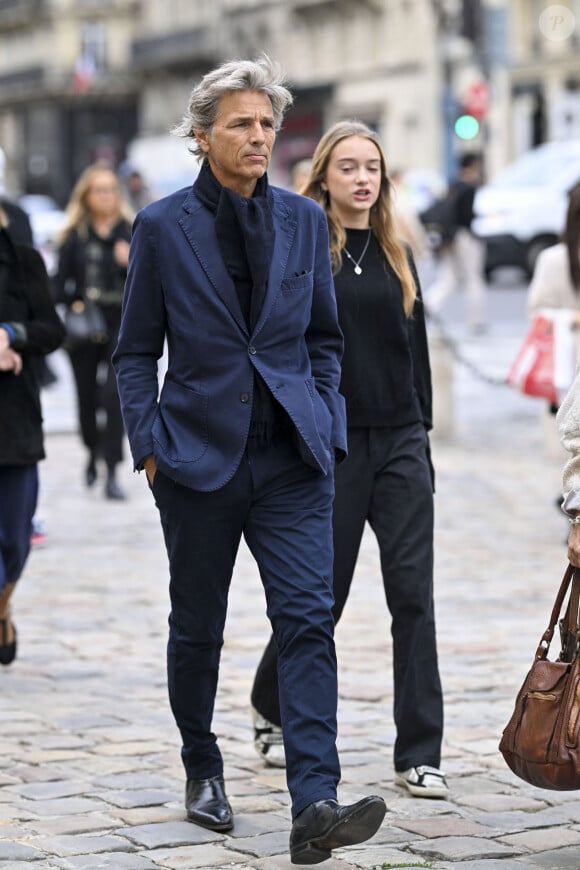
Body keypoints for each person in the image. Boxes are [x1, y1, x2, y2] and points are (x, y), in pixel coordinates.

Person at [112, 57, 386, 864]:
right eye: (242, 123)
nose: (260, 135)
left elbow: (323, 341)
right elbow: (134, 354)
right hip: (196, 462)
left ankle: (316, 801)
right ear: (203, 136)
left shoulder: (305, 223)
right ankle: (204, 768)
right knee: (198, 629)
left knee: (308, 622)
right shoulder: (162, 227)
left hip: (294, 464)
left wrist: (326, 421)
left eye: (267, 123)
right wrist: (149, 446)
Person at [251, 120, 448, 800]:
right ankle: (270, 703)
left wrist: (420, 435)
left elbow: (414, 352)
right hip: (330, 448)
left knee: (413, 598)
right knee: (319, 598)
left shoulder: (398, 252)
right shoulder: (305, 248)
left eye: (373, 168)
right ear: (324, 179)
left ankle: (420, 750)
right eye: (350, 168)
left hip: (398, 444)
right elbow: (282, 349)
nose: (363, 178)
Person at [0, 206, 65, 665]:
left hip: (15, 422)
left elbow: (52, 331)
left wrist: (11, 333)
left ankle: (2, 609)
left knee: (15, 542)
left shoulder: (23, 261)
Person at [54, 162, 133, 500]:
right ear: (86, 196)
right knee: (87, 398)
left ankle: (112, 471)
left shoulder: (132, 230)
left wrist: (131, 262)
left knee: (113, 398)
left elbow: (151, 281)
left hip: (121, 324)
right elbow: (58, 286)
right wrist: (75, 303)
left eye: (110, 189)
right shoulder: (75, 235)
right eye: (98, 190)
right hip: (84, 327)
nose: (105, 196)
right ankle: (91, 451)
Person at [424, 152, 487, 334]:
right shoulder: (469, 187)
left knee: (449, 277)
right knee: (473, 277)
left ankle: (429, 303)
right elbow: (466, 217)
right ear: (473, 165)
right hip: (464, 237)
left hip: (448, 238)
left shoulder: (453, 185)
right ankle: (477, 320)